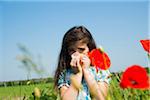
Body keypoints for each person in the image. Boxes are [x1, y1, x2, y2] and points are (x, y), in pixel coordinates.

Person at [54, 26, 111, 100]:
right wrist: (77, 74)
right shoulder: (65, 74)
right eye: (72, 50)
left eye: (81, 49)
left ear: (89, 49)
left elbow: (100, 98)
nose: (77, 55)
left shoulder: (100, 71)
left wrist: (86, 71)